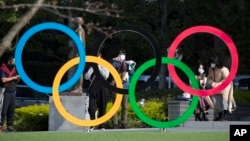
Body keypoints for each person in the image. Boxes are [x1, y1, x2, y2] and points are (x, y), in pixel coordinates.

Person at [110, 48, 136, 129]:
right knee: (115, 105)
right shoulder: (114, 62)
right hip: (116, 86)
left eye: (123, 54)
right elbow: (111, 67)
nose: (121, 56)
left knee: (124, 106)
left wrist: (130, 66)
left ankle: (124, 123)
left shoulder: (128, 63)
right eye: (120, 54)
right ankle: (115, 123)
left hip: (125, 86)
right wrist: (116, 60)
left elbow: (132, 73)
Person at [84, 53, 110, 130]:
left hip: (103, 89)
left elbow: (106, 75)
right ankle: (92, 124)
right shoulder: (92, 67)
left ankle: (102, 125)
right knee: (91, 107)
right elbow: (86, 77)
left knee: (102, 107)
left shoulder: (105, 66)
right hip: (93, 89)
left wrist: (99, 67)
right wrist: (92, 68)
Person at [207, 55, 236, 121]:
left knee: (225, 100)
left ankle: (224, 115)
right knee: (215, 101)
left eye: (213, 63)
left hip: (225, 86)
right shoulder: (211, 69)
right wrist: (212, 83)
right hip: (215, 87)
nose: (212, 64)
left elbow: (227, 79)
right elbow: (209, 78)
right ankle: (220, 115)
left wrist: (219, 83)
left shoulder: (224, 69)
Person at [0, 55, 20, 132]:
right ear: (8, 61)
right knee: (3, 110)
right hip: (5, 91)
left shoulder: (14, 69)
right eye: (11, 61)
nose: (12, 63)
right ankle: (1, 125)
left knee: (11, 110)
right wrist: (13, 78)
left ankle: (10, 126)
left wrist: (17, 78)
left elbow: (16, 80)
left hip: (13, 91)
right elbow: (3, 80)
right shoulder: (3, 69)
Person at [69, 17, 86, 93]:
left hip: (78, 54)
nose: (73, 23)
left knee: (78, 71)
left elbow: (80, 43)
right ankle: (77, 87)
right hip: (79, 53)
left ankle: (79, 88)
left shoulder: (79, 30)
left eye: (75, 21)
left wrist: (78, 53)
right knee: (77, 71)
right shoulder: (81, 30)